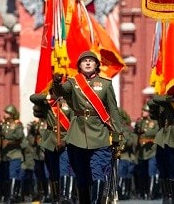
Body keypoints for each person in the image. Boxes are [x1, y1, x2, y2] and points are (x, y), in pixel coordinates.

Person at [51, 50, 125, 204]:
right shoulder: (73, 83)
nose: (88, 63)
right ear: (79, 65)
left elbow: (113, 109)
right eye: (84, 61)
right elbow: (61, 92)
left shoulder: (106, 84)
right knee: (82, 175)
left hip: (99, 133)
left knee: (98, 170)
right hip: (78, 134)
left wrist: (118, 133)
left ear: (97, 64)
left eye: (91, 61)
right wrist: (56, 83)